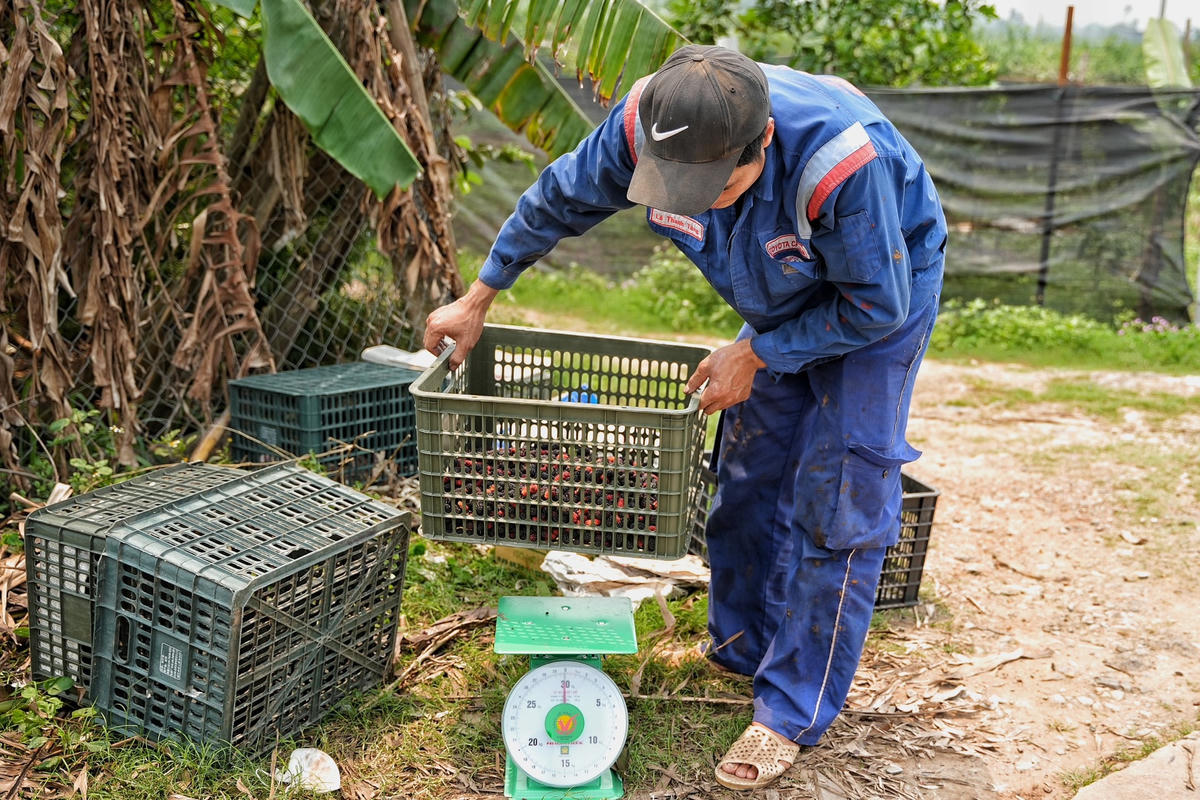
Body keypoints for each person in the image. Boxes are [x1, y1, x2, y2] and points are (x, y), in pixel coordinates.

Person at [423, 44, 946, 791]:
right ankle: (741, 648)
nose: (691, 200)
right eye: (676, 187)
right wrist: (479, 295)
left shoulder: (841, 167)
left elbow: (875, 305)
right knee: (746, 477)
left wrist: (758, 355)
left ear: (761, 143)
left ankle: (789, 711)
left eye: (713, 185)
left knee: (839, 502)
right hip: (779, 301)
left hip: (879, 296)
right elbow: (560, 197)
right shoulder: (651, 121)